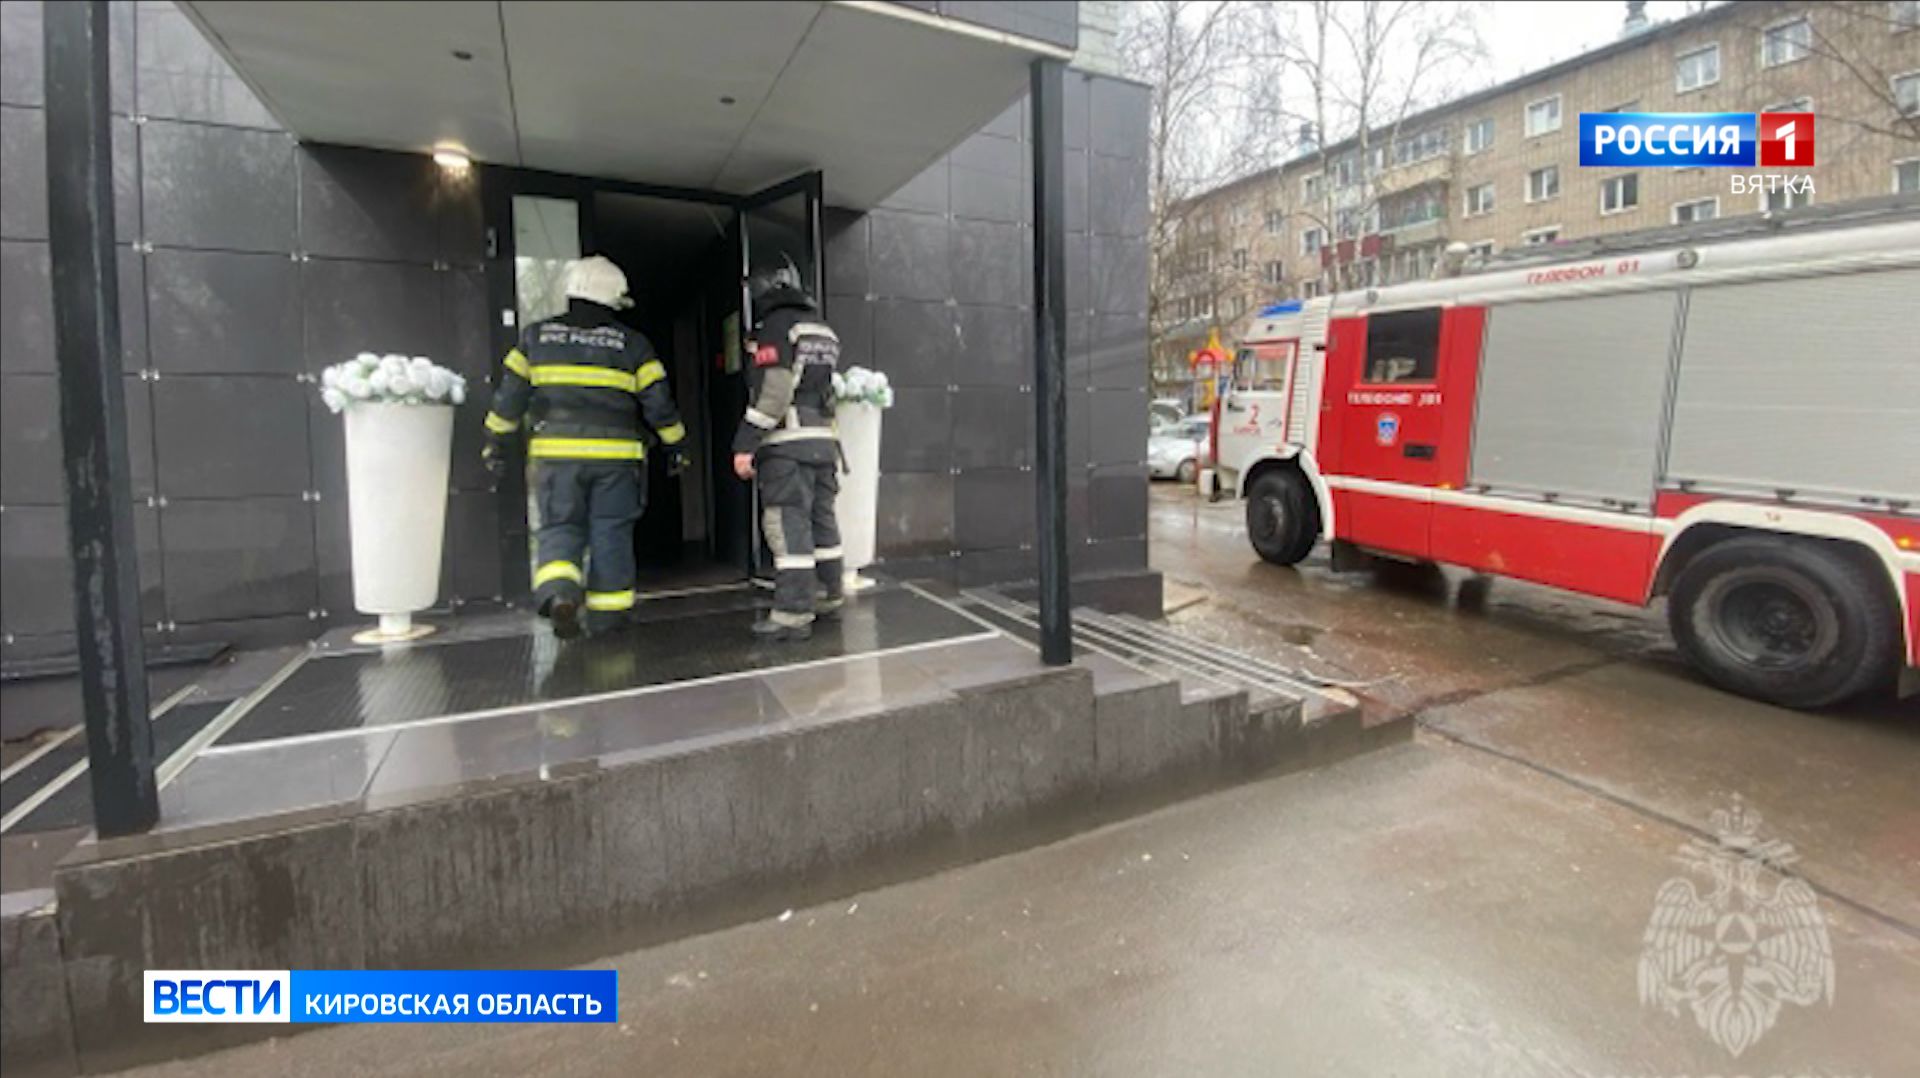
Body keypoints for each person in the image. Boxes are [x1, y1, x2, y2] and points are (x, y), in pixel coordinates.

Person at [482, 255, 688, 640]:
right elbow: (659, 405)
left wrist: (495, 442)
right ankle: (609, 619)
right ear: (613, 298)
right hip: (617, 459)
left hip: (557, 457)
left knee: (560, 528)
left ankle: (560, 593)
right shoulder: (633, 344)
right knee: (611, 532)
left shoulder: (536, 337)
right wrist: (677, 446)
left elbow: (509, 399)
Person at [733, 263, 843, 641]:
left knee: (787, 523)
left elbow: (775, 393)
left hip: (787, 444)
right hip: (823, 441)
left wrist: (745, 443)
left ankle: (792, 615)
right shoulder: (821, 329)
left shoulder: (776, 328)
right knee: (822, 520)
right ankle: (830, 593)